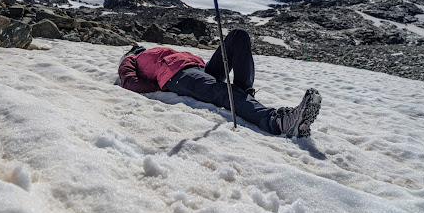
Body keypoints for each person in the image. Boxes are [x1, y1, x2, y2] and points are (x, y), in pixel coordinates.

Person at [118, 29, 322, 138]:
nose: (140, 49)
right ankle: (278, 122)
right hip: (178, 76)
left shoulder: (157, 52)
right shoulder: (131, 60)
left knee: (238, 36)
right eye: (137, 48)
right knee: (223, 92)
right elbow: (130, 82)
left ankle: (244, 95)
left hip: (200, 70)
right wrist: (162, 84)